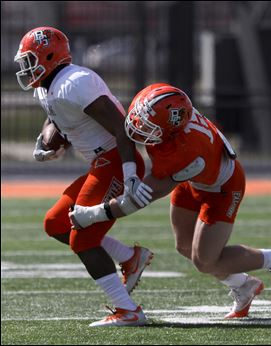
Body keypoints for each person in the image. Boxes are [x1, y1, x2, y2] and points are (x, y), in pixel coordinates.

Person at [69, 83, 271, 319]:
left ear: (172, 129)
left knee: (205, 261)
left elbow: (136, 200)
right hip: (191, 179)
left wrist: (92, 214)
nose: (139, 130)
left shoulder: (185, 151)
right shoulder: (164, 105)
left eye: (149, 128)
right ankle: (243, 285)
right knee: (184, 246)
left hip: (222, 189)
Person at [14, 26, 154, 327]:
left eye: (30, 60)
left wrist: (130, 173)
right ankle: (129, 257)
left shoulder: (74, 82)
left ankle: (128, 310)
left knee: (82, 240)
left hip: (117, 160)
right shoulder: (47, 86)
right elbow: (58, 117)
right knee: (55, 223)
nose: (26, 68)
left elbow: (122, 127)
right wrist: (48, 140)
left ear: (50, 56)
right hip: (100, 163)